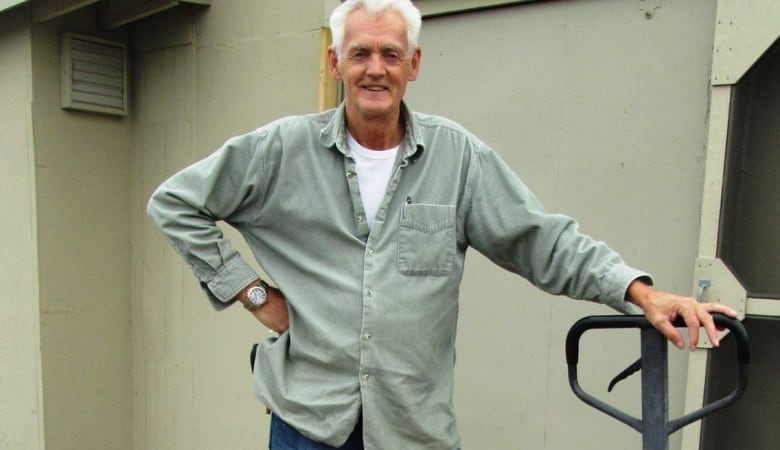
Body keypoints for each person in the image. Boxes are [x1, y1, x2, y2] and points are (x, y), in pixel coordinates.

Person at [146, 0, 737, 448]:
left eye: (390, 54)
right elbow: (174, 203)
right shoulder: (280, 152)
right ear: (336, 61)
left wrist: (640, 292)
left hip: (412, 430)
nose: (375, 69)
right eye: (360, 53)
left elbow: (541, 239)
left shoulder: (458, 160)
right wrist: (250, 291)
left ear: (414, 64)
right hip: (307, 425)